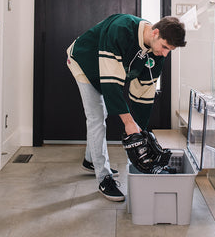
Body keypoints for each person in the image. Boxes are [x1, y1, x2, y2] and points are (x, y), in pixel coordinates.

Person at [66, 13, 186, 201]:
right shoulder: (121, 30)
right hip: (84, 62)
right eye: (164, 47)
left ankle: (90, 160)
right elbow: (111, 84)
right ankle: (104, 179)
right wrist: (128, 123)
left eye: (169, 50)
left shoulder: (157, 53)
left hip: (105, 70)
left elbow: (143, 93)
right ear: (155, 33)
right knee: (97, 118)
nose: (165, 53)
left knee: (104, 114)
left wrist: (140, 132)